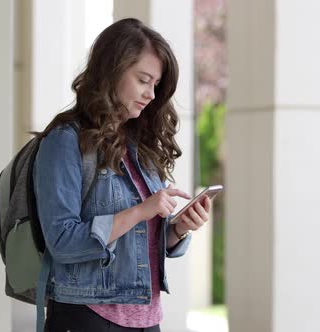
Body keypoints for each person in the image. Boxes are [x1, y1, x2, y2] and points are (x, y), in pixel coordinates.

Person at [33, 18, 211, 332]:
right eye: (144, 80)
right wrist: (142, 210)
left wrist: (178, 229)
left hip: (146, 318)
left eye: (156, 84)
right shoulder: (66, 140)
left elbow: (141, 240)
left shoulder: (139, 147)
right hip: (88, 317)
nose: (152, 94)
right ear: (112, 70)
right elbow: (61, 240)